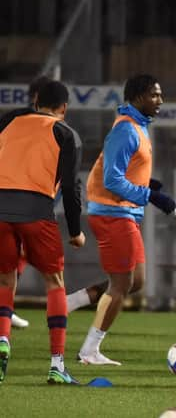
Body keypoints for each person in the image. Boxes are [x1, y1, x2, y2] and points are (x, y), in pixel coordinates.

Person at [77, 74, 176, 366]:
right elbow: (112, 179)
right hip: (113, 213)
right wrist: (152, 195)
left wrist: (150, 183)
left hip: (125, 214)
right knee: (121, 285)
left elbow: (126, 169)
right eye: (154, 95)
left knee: (136, 282)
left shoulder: (137, 128)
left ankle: (74, 301)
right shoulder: (127, 130)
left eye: (160, 95)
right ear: (137, 96)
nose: (160, 101)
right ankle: (89, 351)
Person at [0, 80, 85, 384]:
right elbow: (73, 190)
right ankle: (57, 365)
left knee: (6, 278)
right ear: (64, 108)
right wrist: (76, 231)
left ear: (35, 102)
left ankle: (2, 340)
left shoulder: (9, 120)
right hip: (36, 211)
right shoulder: (66, 134)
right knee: (54, 282)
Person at [0, 75, 52, 329]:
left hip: (31, 200)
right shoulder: (16, 121)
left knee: (18, 255)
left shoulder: (51, 127)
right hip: (12, 198)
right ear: (36, 98)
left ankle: (6, 309)